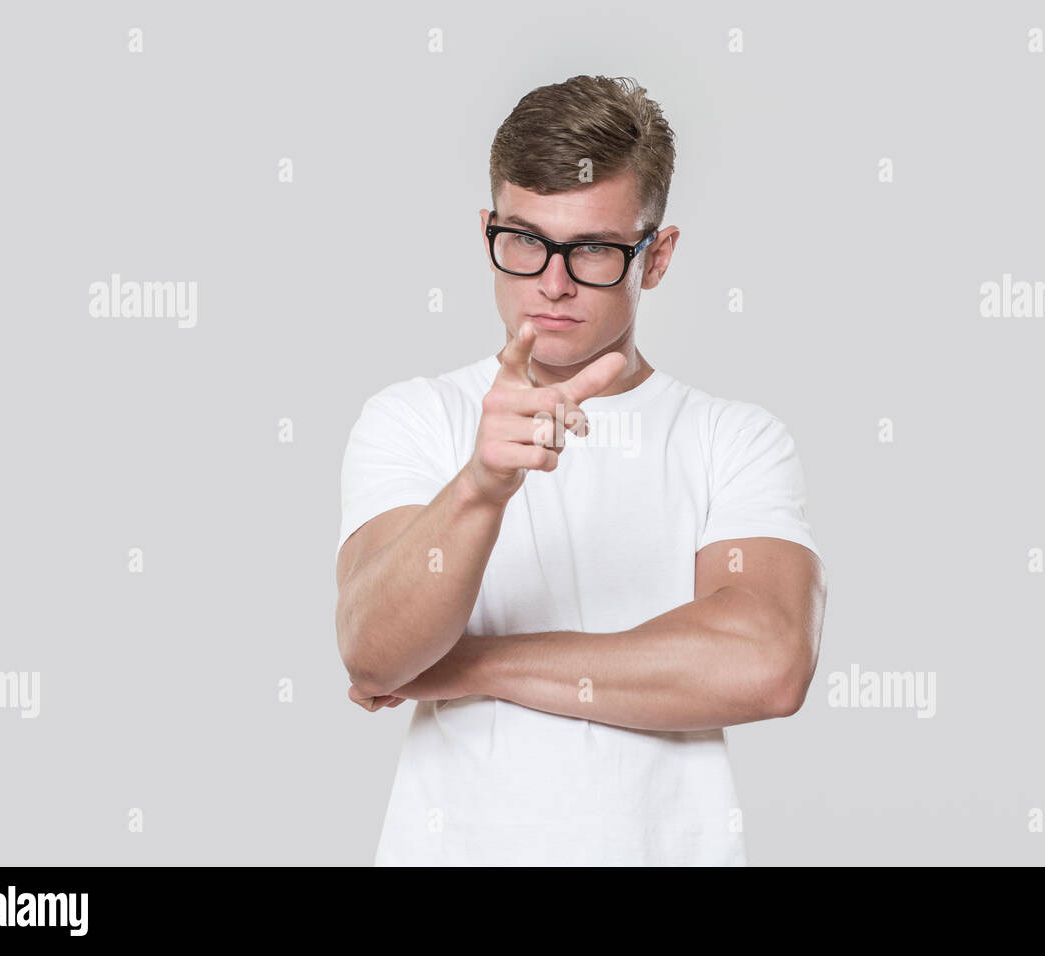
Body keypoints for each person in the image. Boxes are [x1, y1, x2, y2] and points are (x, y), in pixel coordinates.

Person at [335, 75, 827, 866]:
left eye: (593, 249)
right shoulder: (414, 418)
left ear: (655, 257)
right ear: (488, 232)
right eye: (525, 240)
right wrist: (479, 488)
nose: (552, 282)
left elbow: (767, 664)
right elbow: (372, 652)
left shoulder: (732, 438)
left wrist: (470, 664)